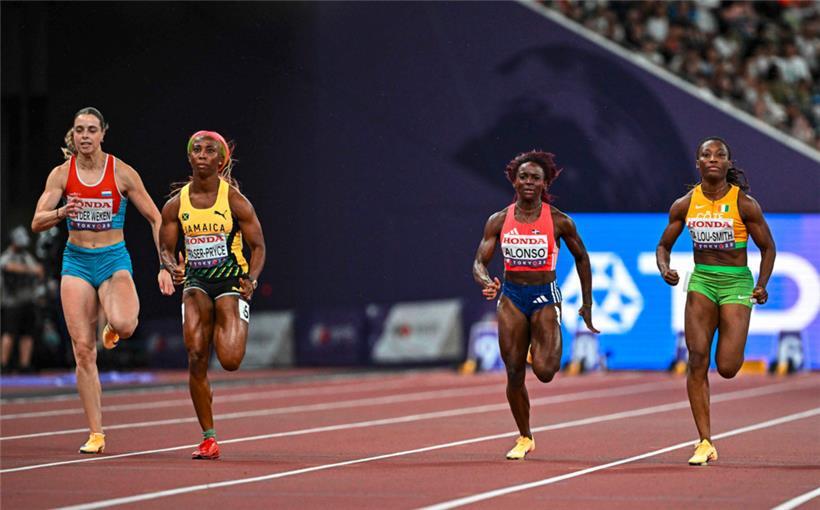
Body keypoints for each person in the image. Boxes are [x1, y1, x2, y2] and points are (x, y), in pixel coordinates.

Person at [31, 107, 174, 454]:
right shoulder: (61, 174)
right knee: (83, 351)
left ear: (103, 133)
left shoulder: (121, 172)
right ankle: (96, 433)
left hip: (112, 260)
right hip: (77, 262)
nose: (85, 136)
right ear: (73, 134)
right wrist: (62, 212)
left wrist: (165, 264)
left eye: (91, 130)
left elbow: (156, 218)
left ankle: (113, 327)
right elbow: (37, 221)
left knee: (126, 325)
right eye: (79, 130)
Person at [656, 137, 775, 465]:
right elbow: (663, 245)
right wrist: (665, 268)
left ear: (727, 163)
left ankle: (732, 336)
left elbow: (768, 247)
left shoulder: (744, 204)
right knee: (696, 359)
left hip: (736, 282)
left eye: (719, 155)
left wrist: (761, 285)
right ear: (698, 163)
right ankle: (704, 441)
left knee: (727, 367)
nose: (712, 159)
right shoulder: (684, 204)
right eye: (706, 155)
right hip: (702, 281)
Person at [472, 150, 599, 460]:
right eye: (524, 177)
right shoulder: (498, 220)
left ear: (545, 183)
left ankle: (539, 342)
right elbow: (479, 262)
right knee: (514, 372)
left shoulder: (558, 220)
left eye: (535, 178)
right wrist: (486, 281)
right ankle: (525, 436)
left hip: (545, 296)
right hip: (512, 297)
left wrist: (587, 302)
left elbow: (582, 258)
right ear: (514, 181)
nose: (529, 182)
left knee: (545, 371)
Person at [159, 130, 265, 460]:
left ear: (221, 161)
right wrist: (170, 266)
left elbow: (258, 246)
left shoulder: (234, 201)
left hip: (231, 282)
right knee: (195, 356)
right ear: (189, 157)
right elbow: (166, 247)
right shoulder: (176, 205)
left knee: (230, 361)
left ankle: (227, 321)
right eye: (197, 149)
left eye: (209, 150)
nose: (202, 154)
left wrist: (252, 279)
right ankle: (209, 438)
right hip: (196, 284)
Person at [1, 226, 44, 373]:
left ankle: (24, 365)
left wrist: (33, 270)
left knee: (27, 334)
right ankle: (3, 365)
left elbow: (39, 270)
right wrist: (30, 270)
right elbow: (8, 267)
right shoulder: (7, 256)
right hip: (11, 302)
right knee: (9, 332)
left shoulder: (26, 256)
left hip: (28, 301)